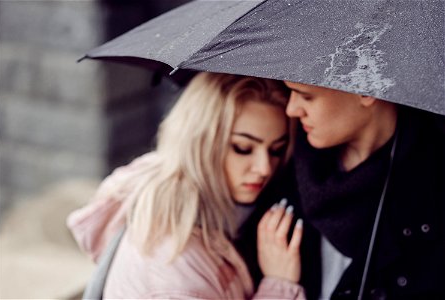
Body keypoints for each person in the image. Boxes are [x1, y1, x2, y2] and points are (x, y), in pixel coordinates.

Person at [67, 72, 307, 299]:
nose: (264, 168)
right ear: (200, 143)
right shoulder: (171, 265)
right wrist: (279, 285)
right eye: (242, 148)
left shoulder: (203, 214)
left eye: (276, 150)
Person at [280, 82, 445, 299]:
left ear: (366, 90)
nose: (291, 109)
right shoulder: (281, 155)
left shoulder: (434, 182)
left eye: (307, 96)